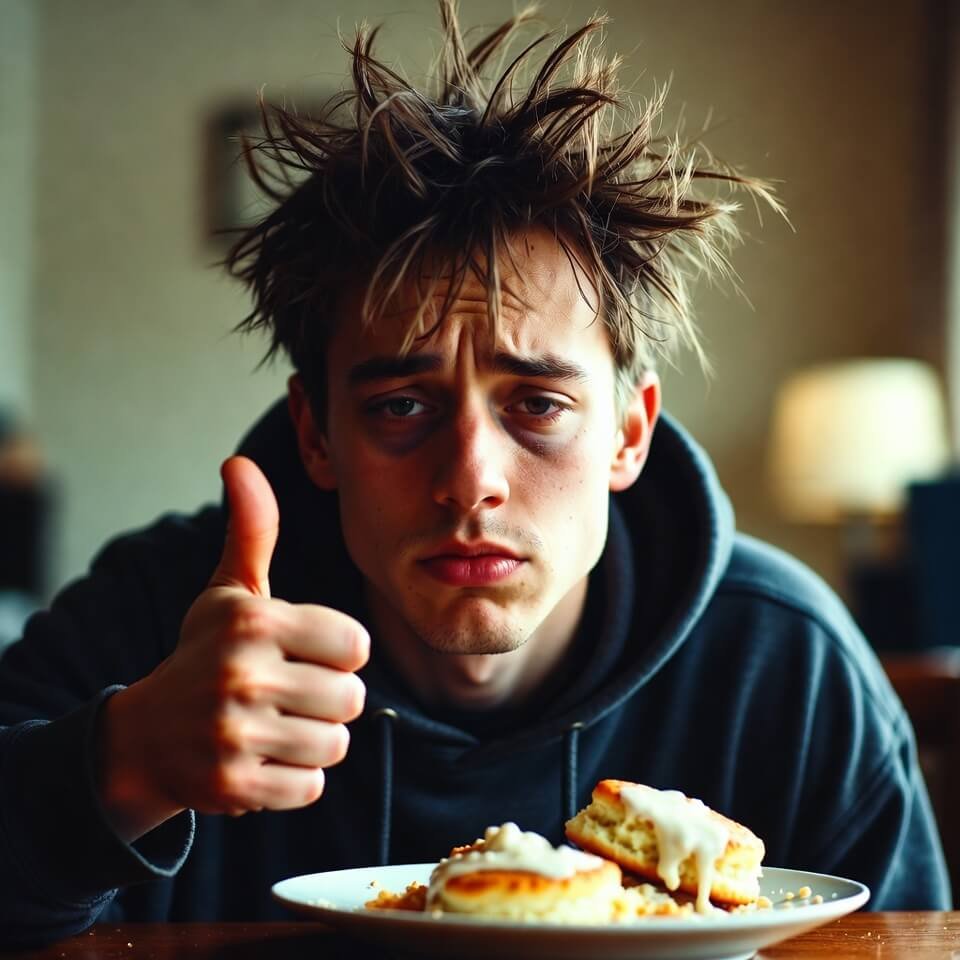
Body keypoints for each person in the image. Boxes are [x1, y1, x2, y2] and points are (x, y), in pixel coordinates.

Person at [0, 2, 949, 946]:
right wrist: (118, 768)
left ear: (629, 432)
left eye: (536, 403)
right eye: (400, 406)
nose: (469, 480)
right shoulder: (154, 632)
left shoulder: (785, 664)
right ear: (316, 435)